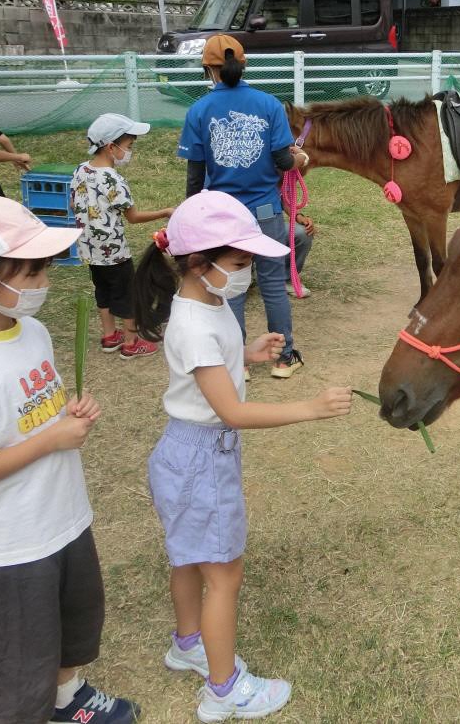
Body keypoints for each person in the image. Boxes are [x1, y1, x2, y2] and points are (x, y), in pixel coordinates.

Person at [132, 190, 352, 721]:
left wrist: (247, 354)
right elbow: (230, 411)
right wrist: (310, 408)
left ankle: (188, 643)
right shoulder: (195, 324)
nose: (246, 273)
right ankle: (224, 690)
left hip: (189, 453)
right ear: (196, 263)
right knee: (223, 575)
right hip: (201, 458)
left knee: (189, 555)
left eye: (250, 262)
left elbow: (209, 376)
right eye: (238, 263)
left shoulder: (207, 304)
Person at [0, 197, 139, 724]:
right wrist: (50, 440)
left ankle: (68, 697)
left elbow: (38, 412)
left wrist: (68, 413)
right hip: (13, 544)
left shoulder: (32, 333)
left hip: (63, 517)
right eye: (33, 270)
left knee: (69, 625)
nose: (45, 280)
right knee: (14, 665)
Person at [177, 34, 310, 378]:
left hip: (222, 214)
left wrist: (193, 216)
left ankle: (239, 360)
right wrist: (299, 159)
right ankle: (284, 358)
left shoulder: (199, 111)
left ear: (208, 68)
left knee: (229, 288)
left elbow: (196, 176)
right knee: (271, 284)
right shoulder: (269, 105)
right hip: (265, 211)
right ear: (243, 64)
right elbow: (283, 160)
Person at [71, 113, 173, 359]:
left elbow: (74, 205)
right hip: (114, 251)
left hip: (89, 248)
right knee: (128, 295)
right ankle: (130, 341)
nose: (129, 151)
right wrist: (165, 212)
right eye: (128, 146)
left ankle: (109, 336)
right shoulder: (114, 180)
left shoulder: (80, 170)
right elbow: (133, 217)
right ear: (111, 146)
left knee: (102, 291)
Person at [284, 210, 313, 298]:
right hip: (243, 224)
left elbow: (283, 198)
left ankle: (285, 278)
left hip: (269, 220)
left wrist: (298, 216)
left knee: (303, 233)